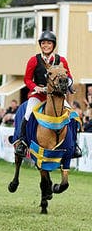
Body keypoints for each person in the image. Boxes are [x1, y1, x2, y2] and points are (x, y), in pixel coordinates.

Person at [15, 30, 82, 158]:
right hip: (38, 95)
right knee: (28, 113)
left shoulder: (61, 60)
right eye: (43, 43)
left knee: (72, 115)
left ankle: (75, 144)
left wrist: (68, 84)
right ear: (40, 45)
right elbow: (27, 79)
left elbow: (69, 76)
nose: (46, 45)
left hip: (56, 96)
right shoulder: (34, 60)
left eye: (49, 43)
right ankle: (22, 142)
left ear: (53, 45)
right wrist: (36, 87)